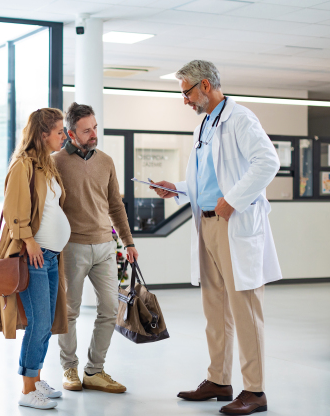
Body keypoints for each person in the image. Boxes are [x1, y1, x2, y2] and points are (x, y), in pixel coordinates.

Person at [151, 60, 282, 415]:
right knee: (215, 308)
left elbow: (268, 162)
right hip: (206, 223)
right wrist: (176, 188)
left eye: (187, 93)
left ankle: (254, 391)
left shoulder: (240, 119)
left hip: (234, 224)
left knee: (244, 308)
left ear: (205, 86)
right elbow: (204, 180)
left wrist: (234, 201)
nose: (185, 101)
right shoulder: (204, 127)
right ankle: (219, 380)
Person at [0, 108, 71, 410]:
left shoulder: (46, 165)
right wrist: (30, 241)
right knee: (38, 323)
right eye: (60, 131)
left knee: (46, 322)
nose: (65, 135)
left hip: (50, 257)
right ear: (42, 133)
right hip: (32, 256)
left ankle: (35, 381)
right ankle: (26, 390)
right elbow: (13, 211)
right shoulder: (22, 165)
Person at [54, 102, 139, 394]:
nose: (93, 134)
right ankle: (69, 368)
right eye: (86, 130)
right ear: (70, 133)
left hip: (105, 246)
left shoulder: (106, 161)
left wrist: (128, 241)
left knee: (110, 307)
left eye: (95, 128)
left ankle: (95, 370)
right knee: (69, 312)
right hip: (72, 247)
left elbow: (116, 204)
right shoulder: (56, 163)